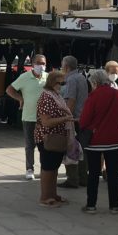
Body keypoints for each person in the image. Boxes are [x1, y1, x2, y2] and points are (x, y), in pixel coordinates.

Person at [79, 69, 118, 214]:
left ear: (95, 82)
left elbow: (84, 119)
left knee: (94, 173)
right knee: (113, 173)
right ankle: (114, 205)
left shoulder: (93, 96)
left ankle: (91, 205)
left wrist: (86, 128)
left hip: (95, 140)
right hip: (115, 139)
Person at [35, 70, 74, 207]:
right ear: (52, 82)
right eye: (61, 83)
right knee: (48, 168)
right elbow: (46, 121)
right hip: (48, 138)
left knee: (54, 168)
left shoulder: (56, 95)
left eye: (64, 83)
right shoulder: (47, 97)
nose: (63, 85)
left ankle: (53, 194)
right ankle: (45, 197)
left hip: (57, 138)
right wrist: (66, 118)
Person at [6, 53, 47, 180]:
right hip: (29, 117)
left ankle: (45, 169)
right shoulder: (24, 77)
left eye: (43, 63)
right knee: (30, 145)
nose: (41, 66)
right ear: (33, 64)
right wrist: (20, 98)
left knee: (44, 145)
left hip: (45, 118)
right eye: (39, 63)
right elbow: (9, 89)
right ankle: (30, 169)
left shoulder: (48, 77)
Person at [60, 55, 89, 188]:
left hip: (74, 119)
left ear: (66, 67)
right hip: (82, 118)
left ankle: (72, 179)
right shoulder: (82, 77)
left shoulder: (71, 79)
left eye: (62, 65)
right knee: (81, 149)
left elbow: (71, 100)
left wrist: (67, 118)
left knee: (71, 149)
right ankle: (83, 177)